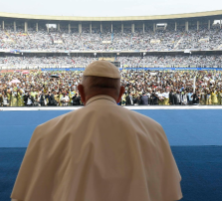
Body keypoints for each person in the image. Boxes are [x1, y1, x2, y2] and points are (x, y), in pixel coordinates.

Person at [11, 61, 182, 201]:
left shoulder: (46, 132)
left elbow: (28, 194)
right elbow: (170, 192)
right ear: (121, 93)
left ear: (81, 92)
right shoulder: (153, 130)